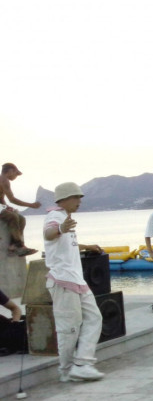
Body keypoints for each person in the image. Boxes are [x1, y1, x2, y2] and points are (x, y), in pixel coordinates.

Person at [43, 182, 105, 382]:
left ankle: (82, 363)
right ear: (64, 199)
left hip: (76, 279)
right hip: (62, 280)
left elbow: (66, 244)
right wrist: (61, 228)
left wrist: (86, 246)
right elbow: (49, 233)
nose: (79, 201)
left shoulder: (65, 218)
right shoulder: (55, 216)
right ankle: (66, 370)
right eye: (76, 197)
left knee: (94, 317)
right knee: (69, 328)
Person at [0, 163, 41, 256]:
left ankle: (13, 244)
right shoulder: (4, 180)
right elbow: (12, 199)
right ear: (11, 171)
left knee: (21, 219)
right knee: (12, 217)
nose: (16, 177)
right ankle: (19, 246)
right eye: (16, 174)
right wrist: (31, 205)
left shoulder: (3, 180)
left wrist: (6, 206)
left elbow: (1, 198)